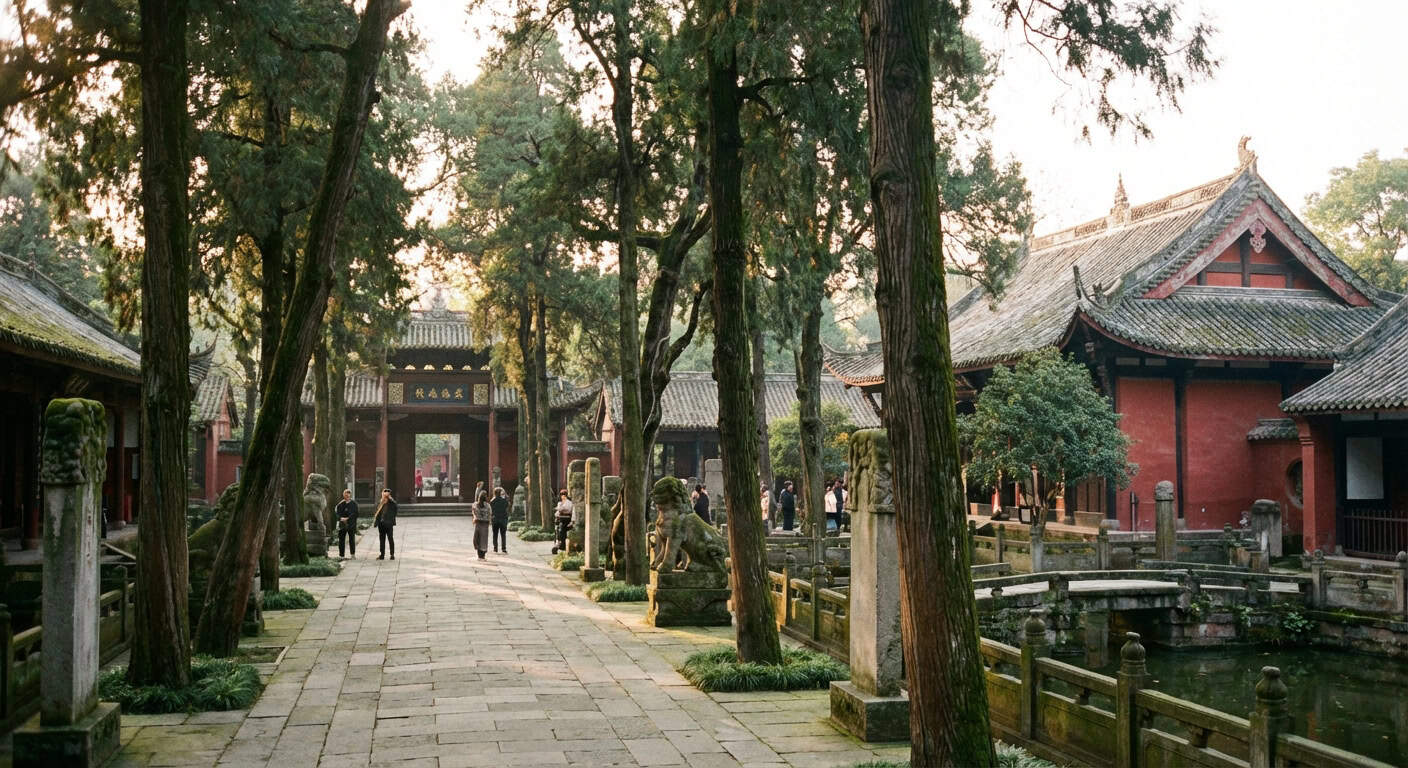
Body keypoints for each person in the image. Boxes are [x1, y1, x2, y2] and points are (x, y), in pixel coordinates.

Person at [373, 488, 397, 560]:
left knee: (390, 538)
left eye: (387, 493)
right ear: (382, 494)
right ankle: (382, 554)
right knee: (382, 539)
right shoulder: (380, 503)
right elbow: (376, 512)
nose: (385, 494)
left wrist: (390, 499)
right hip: (381, 524)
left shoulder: (392, 503)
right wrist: (377, 522)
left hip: (389, 524)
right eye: (384, 492)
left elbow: (395, 510)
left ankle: (392, 554)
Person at [335, 489, 358, 559]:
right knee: (341, 540)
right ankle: (341, 555)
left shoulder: (354, 504)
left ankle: (353, 554)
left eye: (348, 494)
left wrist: (348, 518)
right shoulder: (340, 504)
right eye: (345, 494)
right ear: (343, 495)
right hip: (342, 525)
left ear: (350, 495)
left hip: (351, 524)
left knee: (352, 540)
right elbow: (337, 513)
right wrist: (340, 518)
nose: (347, 495)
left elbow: (356, 514)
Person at [471, 490, 492, 560]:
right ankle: (482, 555)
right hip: (485, 524)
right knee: (484, 539)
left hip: (478, 523)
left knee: (477, 538)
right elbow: (490, 514)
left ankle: (479, 554)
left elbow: (474, 513)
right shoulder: (488, 506)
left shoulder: (475, 505)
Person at [552, 489, 574, 555]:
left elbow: (566, 509)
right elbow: (558, 512)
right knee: (558, 531)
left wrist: (560, 508)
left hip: (567, 519)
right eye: (562, 495)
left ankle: (562, 545)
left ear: (566, 495)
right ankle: (559, 543)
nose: (563, 496)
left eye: (564, 495)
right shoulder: (560, 503)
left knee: (562, 531)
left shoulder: (569, 503)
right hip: (560, 519)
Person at [490, 486, 510, 553]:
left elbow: (491, 510)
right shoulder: (504, 501)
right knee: (503, 534)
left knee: (495, 535)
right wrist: (505, 497)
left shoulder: (492, 501)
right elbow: (508, 506)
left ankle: (495, 549)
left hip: (495, 519)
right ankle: (503, 549)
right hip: (503, 519)